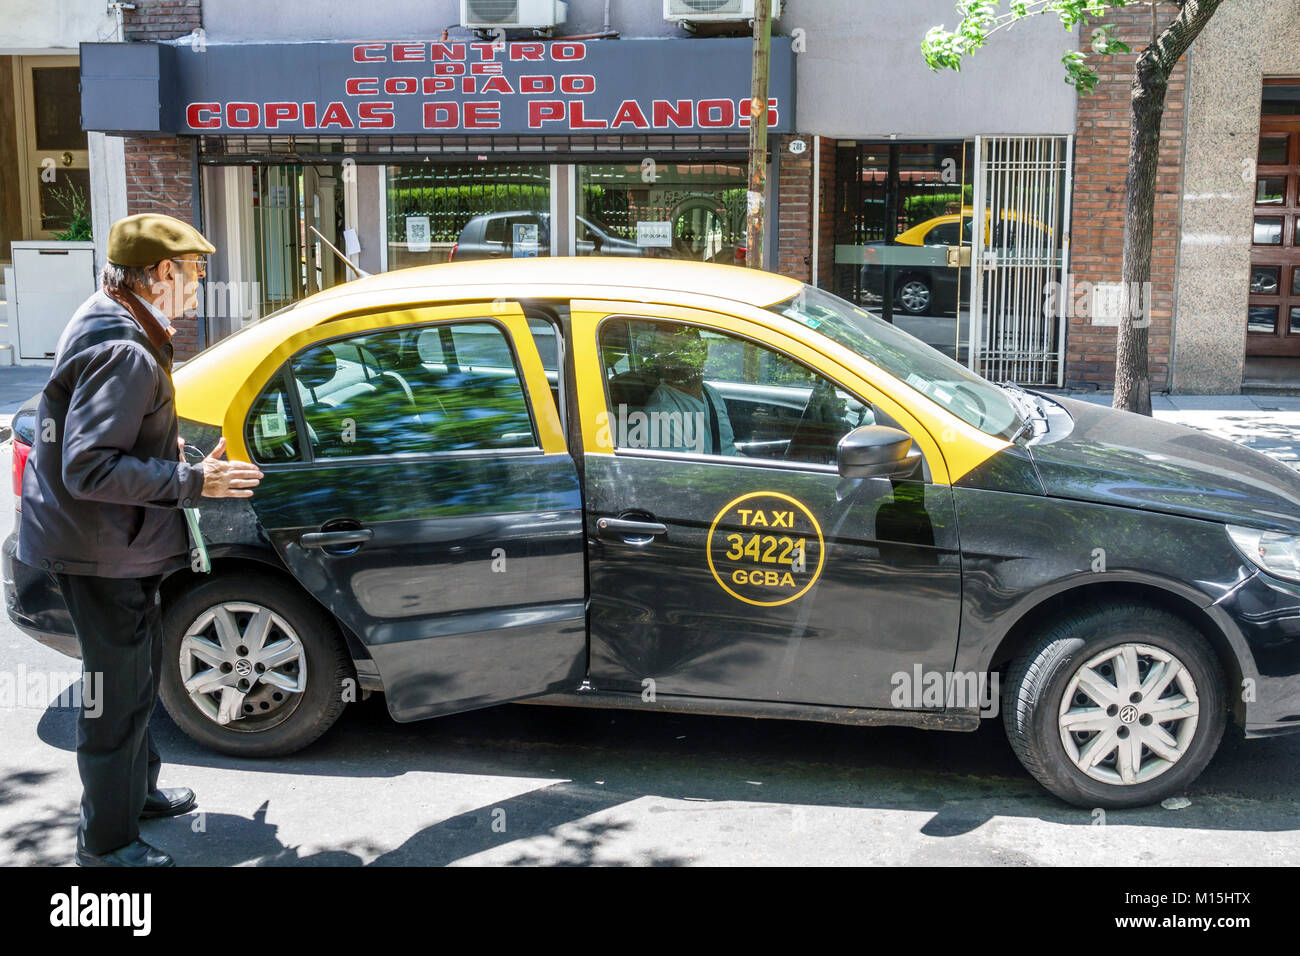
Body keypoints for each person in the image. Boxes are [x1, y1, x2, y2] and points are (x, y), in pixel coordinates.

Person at [18, 213, 265, 867]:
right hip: (100, 553)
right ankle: (107, 843)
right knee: (117, 697)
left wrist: (159, 443)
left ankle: (140, 792)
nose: (198, 286)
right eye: (194, 274)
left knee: (136, 679)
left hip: (111, 544)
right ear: (161, 273)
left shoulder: (114, 315)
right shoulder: (124, 347)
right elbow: (90, 465)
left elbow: (105, 436)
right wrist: (191, 479)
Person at [640, 324, 738, 456]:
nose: (680, 359)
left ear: (704, 351)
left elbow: (727, 449)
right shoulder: (663, 411)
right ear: (661, 360)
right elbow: (680, 473)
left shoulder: (710, 393)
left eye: (685, 349)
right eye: (669, 352)